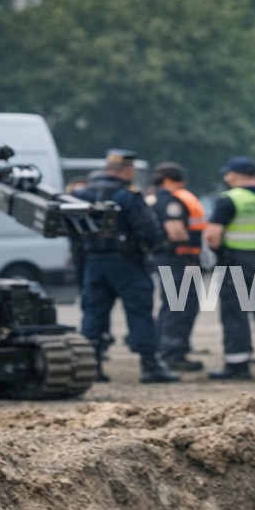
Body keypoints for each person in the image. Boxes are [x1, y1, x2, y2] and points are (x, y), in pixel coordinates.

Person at [71, 149, 178, 384]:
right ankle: (150, 365)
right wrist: (155, 246)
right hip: (126, 263)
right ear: (127, 171)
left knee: (93, 313)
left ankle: (92, 365)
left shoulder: (83, 194)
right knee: (139, 312)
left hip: (93, 262)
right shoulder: (127, 195)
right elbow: (148, 230)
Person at [205, 156, 255, 380]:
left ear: (233, 176)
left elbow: (212, 236)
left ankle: (237, 364)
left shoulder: (229, 200)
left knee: (236, 314)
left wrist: (220, 253)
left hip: (238, 262)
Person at [147, 162, 207, 372]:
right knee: (179, 306)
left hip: (177, 261)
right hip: (177, 260)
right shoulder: (171, 201)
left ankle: (170, 349)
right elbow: (176, 232)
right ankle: (172, 353)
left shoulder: (164, 199)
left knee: (178, 305)